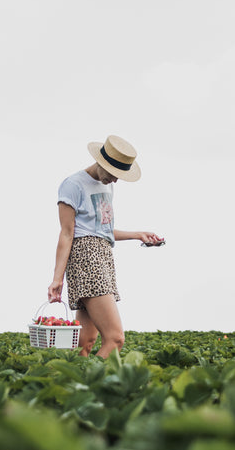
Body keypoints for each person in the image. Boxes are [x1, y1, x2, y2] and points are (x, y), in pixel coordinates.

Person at [48, 135, 164, 357]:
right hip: (86, 258)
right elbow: (67, 233)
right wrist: (57, 279)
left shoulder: (107, 185)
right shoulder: (73, 185)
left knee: (86, 341)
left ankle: (69, 383)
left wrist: (138, 235)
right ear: (101, 162)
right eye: (113, 173)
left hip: (103, 254)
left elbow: (102, 230)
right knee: (115, 338)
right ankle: (92, 387)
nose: (115, 180)